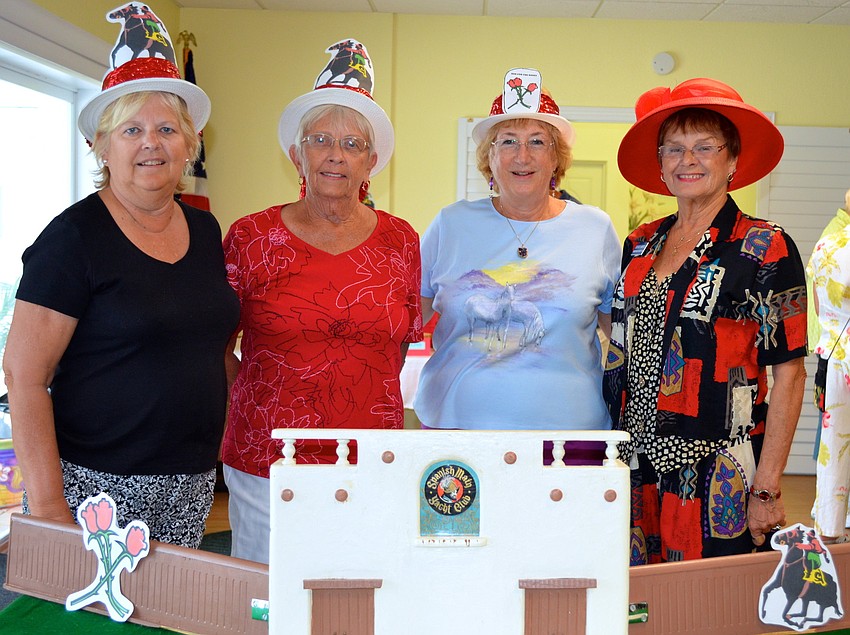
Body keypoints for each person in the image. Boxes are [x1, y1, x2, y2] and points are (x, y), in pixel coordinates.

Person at [1, 4, 239, 548]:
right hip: (93, 490)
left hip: (190, 485)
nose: (150, 142)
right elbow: (24, 376)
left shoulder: (205, 230)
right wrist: (51, 508)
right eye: (131, 129)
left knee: (170, 630)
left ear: (189, 144)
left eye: (166, 129)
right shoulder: (72, 239)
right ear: (101, 145)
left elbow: (208, 346)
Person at [223, 39, 421, 564]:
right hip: (267, 457)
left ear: (371, 162)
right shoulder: (251, 237)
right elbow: (217, 346)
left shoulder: (401, 241)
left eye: (352, 144)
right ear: (297, 153)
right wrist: (254, 405)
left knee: (359, 594)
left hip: (369, 457)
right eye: (320, 139)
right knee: (266, 600)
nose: (336, 154)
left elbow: (397, 344)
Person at [605, 78, 808, 565]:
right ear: (660, 165)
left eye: (704, 147)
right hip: (634, 465)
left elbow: (790, 374)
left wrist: (767, 485)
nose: (687, 160)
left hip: (721, 471)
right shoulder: (641, 242)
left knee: (706, 604)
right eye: (674, 149)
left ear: (733, 160)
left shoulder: (764, 247)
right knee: (636, 604)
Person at [414, 68, 620, 454]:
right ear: (489, 157)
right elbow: (403, 321)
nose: (522, 156)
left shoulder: (595, 229)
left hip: (570, 440)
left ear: (557, 158)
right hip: (457, 436)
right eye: (507, 141)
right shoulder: (451, 224)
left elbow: (623, 335)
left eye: (537, 142)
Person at [808, 216, 850, 543]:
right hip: (837, 352)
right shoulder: (840, 245)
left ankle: (830, 528)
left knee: (833, 450)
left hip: (833, 351)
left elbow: (819, 305)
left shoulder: (827, 244)